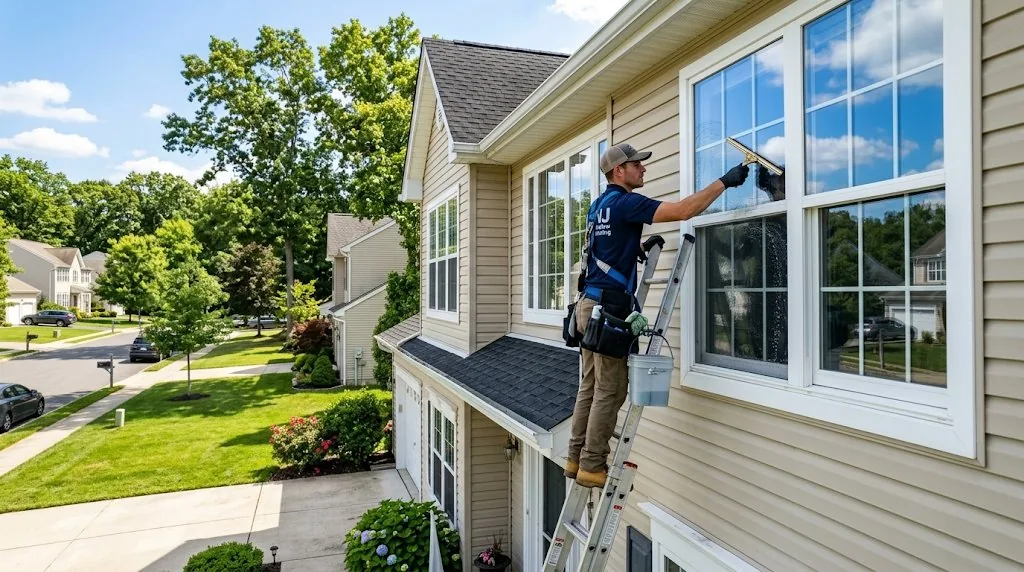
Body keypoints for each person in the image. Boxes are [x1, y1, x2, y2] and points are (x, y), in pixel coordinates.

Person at [566, 142, 750, 488]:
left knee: (589, 388)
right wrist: (725, 182)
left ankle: (576, 459)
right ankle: (593, 466)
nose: (643, 169)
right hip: (608, 310)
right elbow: (683, 210)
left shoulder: (599, 206)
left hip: (587, 306)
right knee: (611, 390)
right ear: (619, 171)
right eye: (637, 164)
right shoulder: (626, 202)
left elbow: (607, 246)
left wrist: (631, 249)